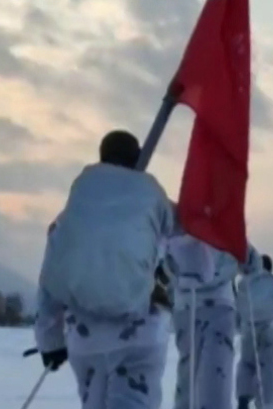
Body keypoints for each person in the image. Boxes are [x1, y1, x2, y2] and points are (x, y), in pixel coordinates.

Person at [33, 130, 175, 409]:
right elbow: (174, 250)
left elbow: (51, 279)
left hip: (85, 341)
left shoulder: (71, 214)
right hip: (139, 337)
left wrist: (49, 342)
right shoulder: (152, 198)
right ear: (138, 160)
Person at [164, 231, 257, 409]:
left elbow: (165, 263)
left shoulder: (178, 222)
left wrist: (176, 286)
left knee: (189, 372)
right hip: (217, 305)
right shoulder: (225, 225)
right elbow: (251, 262)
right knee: (215, 375)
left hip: (187, 306)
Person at [235, 254, 273, 409]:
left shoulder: (243, 284)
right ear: (269, 268)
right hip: (269, 330)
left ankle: (243, 399)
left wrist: (241, 326)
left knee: (246, 364)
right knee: (267, 368)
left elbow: (237, 312)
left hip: (248, 330)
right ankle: (265, 404)